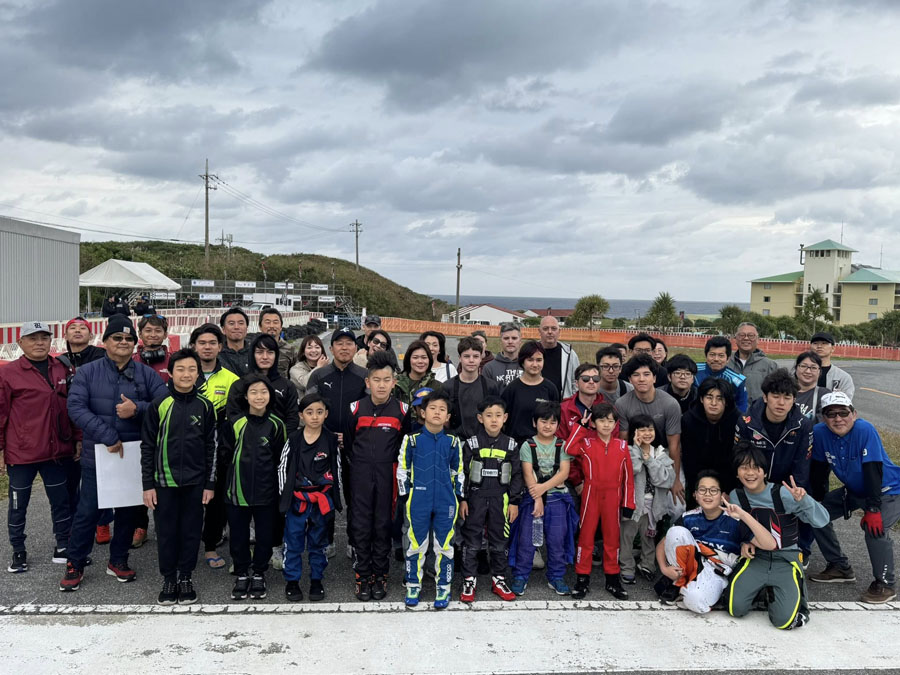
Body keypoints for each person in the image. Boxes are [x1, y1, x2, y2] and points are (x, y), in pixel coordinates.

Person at [61, 314, 167, 592]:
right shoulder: (87, 372)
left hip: (134, 455)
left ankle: (118, 559)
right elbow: (76, 408)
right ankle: (75, 562)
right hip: (98, 454)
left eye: (129, 338)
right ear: (105, 341)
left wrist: (138, 409)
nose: (123, 342)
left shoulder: (147, 373)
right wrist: (107, 435)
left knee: (128, 511)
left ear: (135, 344)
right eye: (117, 337)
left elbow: (165, 404)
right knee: (88, 511)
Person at [140, 349, 216, 605]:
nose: (186, 374)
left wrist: (209, 484)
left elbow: (211, 447)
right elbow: (148, 446)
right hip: (164, 483)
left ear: (198, 373)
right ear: (170, 373)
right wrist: (148, 485)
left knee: (191, 532)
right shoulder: (158, 404)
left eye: (192, 369)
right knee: (166, 533)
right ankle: (169, 578)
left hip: (196, 483)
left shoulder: (205, 406)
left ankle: (185, 576)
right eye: (180, 369)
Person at [808, 392, 900, 603]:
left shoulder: (864, 429)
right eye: (831, 414)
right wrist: (817, 499)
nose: (838, 418)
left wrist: (873, 509)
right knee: (815, 513)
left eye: (843, 412)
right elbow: (820, 470)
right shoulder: (820, 432)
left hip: (887, 490)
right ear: (823, 418)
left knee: (875, 529)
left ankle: (885, 584)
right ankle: (839, 566)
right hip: (855, 490)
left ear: (854, 414)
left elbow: (872, 470)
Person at [1, 321, 78, 573]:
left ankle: (63, 545)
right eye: (33, 338)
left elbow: (72, 406)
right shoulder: (9, 373)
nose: (39, 343)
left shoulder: (61, 367)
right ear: (21, 343)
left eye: (44, 338)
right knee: (18, 504)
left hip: (56, 450)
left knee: (61, 501)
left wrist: (77, 438)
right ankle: (18, 550)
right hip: (22, 452)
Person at [728, 443, 829, 629]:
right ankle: (762, 590)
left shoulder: (782, 493)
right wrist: (744, 542)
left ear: (765, 472)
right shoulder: (736, 496)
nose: (750, 473)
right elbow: (740, 527)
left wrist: (804, 500)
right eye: (744, 468)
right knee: (736, 608)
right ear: (737, 473)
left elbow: (822, 520)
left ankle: (780, 594)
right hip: (757, 558)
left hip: (786, 559)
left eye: (756, 467)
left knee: (783, 621)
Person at [656, 469, 776, 613]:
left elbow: (770, 544)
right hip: (694, 567)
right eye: (702, 490)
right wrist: (664, 569)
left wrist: (744, 517)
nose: (707, 494)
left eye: (713, 490)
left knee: (695, 601)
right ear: (695, 495)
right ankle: (679, 582)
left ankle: (710, 592)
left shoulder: (734, 519)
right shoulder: (688, 517)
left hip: (718, 572)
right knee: (675, 532)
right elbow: (664, 543)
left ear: (722, 496)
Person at [346, 351, 409, 601]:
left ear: (394, 382)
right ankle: (362, 575)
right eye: (376, 380)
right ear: (367, 382)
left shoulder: (402, 411)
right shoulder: (355, 408)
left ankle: (380, 574)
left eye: (386, 380)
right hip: (360, 473)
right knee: (361, 525)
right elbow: (349, 442)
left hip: (388, 474)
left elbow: (404, 446)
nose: (381, 385)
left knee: (383, 525)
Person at [222, 374, 288, 601]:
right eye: (253, 392)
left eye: (263, 392)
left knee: (265, 535)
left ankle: (259, 572)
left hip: (267, 491)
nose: (259, 397)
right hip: (237, 490)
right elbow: (225, 455)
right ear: (246, 397)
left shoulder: (277, 424)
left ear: (270, 395)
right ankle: (241, 573)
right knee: (238, 535)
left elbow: (281, 459)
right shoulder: (235, 423)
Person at [397, 390, 464, 609]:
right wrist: (406, 494)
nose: (437, 412)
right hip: (418, 499)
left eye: (442, 409)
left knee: (444, 545)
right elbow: (403, 469)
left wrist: (459, 496)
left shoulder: (453, 442)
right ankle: (413, 585)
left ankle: (443, 586)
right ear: (423, 413)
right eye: (432, 408)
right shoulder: (412, 440)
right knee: (416, 544)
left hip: (446, 500)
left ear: (448, 417)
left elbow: (458, 471)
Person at [305, 327, 368, 557]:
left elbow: (369, 411)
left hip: (355, 445)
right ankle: (325, 540)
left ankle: (354, 541)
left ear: (355, 348)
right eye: (339, 343)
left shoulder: (364, 376)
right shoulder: (319, 376)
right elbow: (309, 409)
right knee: (324, 494)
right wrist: (325, 435)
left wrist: (349, 436)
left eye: (349, 343)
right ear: (331, 348)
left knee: (355, 496)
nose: (344, 347)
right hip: (324, 444)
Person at [508, 401, 578, 596]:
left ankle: (556, 576)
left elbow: (564, 473)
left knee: (557, 540)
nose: (548, 426)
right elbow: (527, 473)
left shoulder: (562, 445)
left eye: (552, 422)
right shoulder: (527, 445)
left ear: (558, 425)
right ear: (534, 422)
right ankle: (520, 576)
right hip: (532, 499)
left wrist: (542, 490)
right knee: (527, 540)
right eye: (543, 421)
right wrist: (538, 498)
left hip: (557, 499)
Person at [565, 402, 633, 600]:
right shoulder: (586, 443)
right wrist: (581, 426)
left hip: (613, 496)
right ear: (593, 423)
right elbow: (569, 448)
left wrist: (628, 504)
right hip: (591, 494)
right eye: (602, 420)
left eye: (610, 421)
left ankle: (612, 579)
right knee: (586, 537)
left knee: (612, 538)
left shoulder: (622, 446)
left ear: (615, 424)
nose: (606, 424)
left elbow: (628, 478)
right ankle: (582, 578)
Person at [279, 393, 342, 602]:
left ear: (326, 414)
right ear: (301, 415)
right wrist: (285, 496)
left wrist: (335, 496)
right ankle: (292, 581)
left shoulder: (331, 440)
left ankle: (316, 580)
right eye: (309, 412)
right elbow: (282, 468)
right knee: (293, 541)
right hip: (297, 500)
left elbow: (337, 469)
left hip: (321, 499)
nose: (314, 417)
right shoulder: (294, 439)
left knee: (319, 542)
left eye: (319, 412)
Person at [458, 396, 521, 603]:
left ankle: (499, 579)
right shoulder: (472, 443)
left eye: (498, 415)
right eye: (489, 415)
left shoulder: (511, 445)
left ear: (505, 418)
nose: (494, 420)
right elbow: (463, 473)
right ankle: (469, 580)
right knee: (472, 540)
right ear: (480, 418)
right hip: (475, 498)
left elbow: (517, 475)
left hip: (500, 499)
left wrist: (514, 501)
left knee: (499, 541)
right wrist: (463, 499)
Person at [189, 323, 240, 567]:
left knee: (216, 501)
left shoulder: (231, 379)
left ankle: (210, 547)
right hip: (188, 448)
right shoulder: (185, 374)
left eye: (212, 343)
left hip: (220, 450)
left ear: (220, 347)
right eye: (202, 343)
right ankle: (187, 548)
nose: (207, 347)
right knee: (189, 501)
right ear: (193, 346)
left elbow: (237, 416)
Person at [734, 368, 813, 501]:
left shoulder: (803, 425)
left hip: (787, 488)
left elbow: (802, 465)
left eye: (787, 398)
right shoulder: (746, 422)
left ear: (794, 399)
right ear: (765, 397)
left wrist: (794, 492)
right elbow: (740, 461)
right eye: (776, 396)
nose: (781, 403)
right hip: (753, 485)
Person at [615, 354, 684, 503]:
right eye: (636, 375)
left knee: (676, 504)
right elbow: (623, 441)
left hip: (662, 453)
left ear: (654, 378)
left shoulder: (670, 404)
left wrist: (676, 479)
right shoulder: (622, 404)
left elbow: (674, 445)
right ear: (630, 379)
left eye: (646, 374)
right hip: (635, 452)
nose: (641, 379)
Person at [619, 414, 676, 584]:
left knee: (649, 536)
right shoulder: (628, 450)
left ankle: (647, 564)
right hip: (633, 503)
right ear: (634, 432)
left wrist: (649, 460)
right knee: (627, 536)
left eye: (650, 429)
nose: (647, 433)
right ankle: (626, 567)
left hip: (653, 504)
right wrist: (637, 450)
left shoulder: (660, 452)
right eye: (642, 430)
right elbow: (633, 469)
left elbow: (665, 480)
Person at [680, 378, 739, 502]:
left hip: (728, 476)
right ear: (701, 399)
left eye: (719, 398)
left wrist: (728, 490)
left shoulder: (737, 420)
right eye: (709, 397)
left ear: (727, 402)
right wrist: (697, 489)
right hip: (699, 475)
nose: (713, 403)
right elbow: (689, 459)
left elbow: (736, 459)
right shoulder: (688, 420)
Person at [500, 341, 560, 445]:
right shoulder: (512, 389)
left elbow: (555, 419)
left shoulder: (550, 389)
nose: (535, 364)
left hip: (542, 448)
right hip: (516, 446)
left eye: (539, 360)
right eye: (530, 360)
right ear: (522, 362)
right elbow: (503, 420)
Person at [442, 336, 500, 439]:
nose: (471, 360)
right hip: (457, 441)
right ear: (460, 358)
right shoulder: (448, 387)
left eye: (476, 356)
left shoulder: (491, 386)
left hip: (484, 441)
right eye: (467, 356)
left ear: (481, 358)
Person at [694, 336, 749, 413]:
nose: (716, 359)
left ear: (728, 359)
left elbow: (742, 406)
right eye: (712, 355)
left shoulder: (736, 380)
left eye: (721, 356)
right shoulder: (693, 371)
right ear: (706, 356)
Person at [727, 322, 777, 404]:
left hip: (757, 411)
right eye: (742, 335)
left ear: (758, 340)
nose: (746, 338)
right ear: (735, 339)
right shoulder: (726, 362)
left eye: (751, 335)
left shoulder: (770, 365)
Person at [557, 363, 605, 441]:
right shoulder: (563, 409)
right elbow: (560, 441)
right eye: (586, 379)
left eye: (596, 378)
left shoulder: (608, 409)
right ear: (576, 383)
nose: (591, 382)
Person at [538, 316, 579, 398]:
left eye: (554, 328)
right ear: (539, 331)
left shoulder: (569, 354)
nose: (550, 332)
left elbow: (576, 381)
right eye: (545, 329)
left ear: (559, 331)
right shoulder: (531, 352)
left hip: (563, 403)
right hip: (537, 402)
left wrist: (572, 401)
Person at [810, 332, 855, 399]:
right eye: (815, 343)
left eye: (824, 343)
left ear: (833, 348)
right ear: (810, 347)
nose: (819, 346)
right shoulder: (801, 373)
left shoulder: (843, 377)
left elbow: (846, 402)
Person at [393, 340, 437, 405]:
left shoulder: (437, 387)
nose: (420, 361)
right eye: (415, 357)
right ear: (409, 360)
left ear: (429, 360)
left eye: (424, 357)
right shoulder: (395, 384)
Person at [481, 322, 523, 390]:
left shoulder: (528, 365)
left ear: (520, 340)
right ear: (500, 341)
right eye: (506, 338)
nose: (510, 341)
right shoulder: (489, 368)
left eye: (514, 338)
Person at [258, 306, 298, 378]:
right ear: (260, 326)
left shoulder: (291, 350)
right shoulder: (253, 349)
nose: (272, 326)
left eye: (275, 322)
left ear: (281, 326)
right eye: (268, 322)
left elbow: (294, 377)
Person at [133, 314, 171, 383]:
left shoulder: (173, 361)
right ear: (140, 334)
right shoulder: (130, 361)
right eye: (148, 330)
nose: (153, 335)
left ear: (165, 335)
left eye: (158, 331)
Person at [288, 335, 329, 399]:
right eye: (309, 348)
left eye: (317, 347)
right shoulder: (295, 369)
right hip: (303, 404)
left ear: (322, 350)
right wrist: (319, 367)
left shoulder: (328, 368)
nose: (314, 350)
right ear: (303, 352)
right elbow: (306, 384)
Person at [793, 351, 830, 422]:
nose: (808, 371)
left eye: (813, 368)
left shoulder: (824, 395)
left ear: (819, 371)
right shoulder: (785, 391)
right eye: (803, 366)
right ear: (796, 368)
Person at [218, 307, 252, 377]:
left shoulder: (255, 353)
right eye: (231, 323)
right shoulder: (217, 355)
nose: (236, 327)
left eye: (241, 323)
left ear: (247, 328)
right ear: (223, 329)